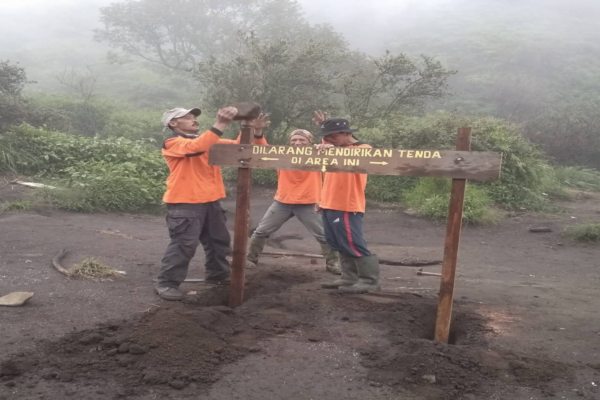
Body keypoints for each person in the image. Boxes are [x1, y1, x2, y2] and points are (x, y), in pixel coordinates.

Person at [155, 106, 268, 301]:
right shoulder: (172, 142)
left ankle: (217, 276)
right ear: (173, 123)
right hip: (185, 203)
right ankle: (167, 283)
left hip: (211, 202)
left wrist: (255, 131)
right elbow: (195, 148)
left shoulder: (208, 141)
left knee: (218, 241)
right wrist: (221, 123)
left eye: (194, 117)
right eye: (188, 117)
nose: (194, 120)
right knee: (184, 244)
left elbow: (237, 146)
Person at [246, 129, 341, 274]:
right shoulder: (281, 156)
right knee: (261, 231)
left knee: (324, 235)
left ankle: (333, 264)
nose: (297, 143)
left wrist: (331, 147)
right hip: (283, 202)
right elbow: (263, 150)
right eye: (294, 140)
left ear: (310, 142)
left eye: (302, 140)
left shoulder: (318, 155)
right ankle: (250, 259)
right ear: (289, 143)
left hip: (309, 202)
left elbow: (337, 155)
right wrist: (258, 133)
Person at [314, 114, 381, 293]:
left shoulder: (363, 148)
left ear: (345, 133)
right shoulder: (333, 147)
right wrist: (321, 200)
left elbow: (356, 154)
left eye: (333, 137)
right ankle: (348, 278)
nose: (329, 141)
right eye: (327, 138)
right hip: (329, 202)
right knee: (337, 242)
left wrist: (330, 149)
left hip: (347, 205)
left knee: (353, 242)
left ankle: (369, 280)